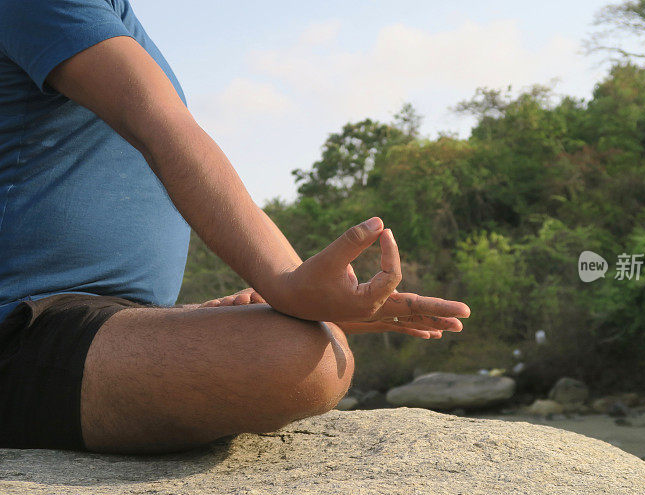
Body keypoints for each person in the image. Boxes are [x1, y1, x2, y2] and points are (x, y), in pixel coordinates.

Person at [0, 0, 470, 453]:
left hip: (97, 316)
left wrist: (211, 315)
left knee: (306, 345)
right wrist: (290, 284)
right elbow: (159, 124)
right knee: (298, 358)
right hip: (22, 322)